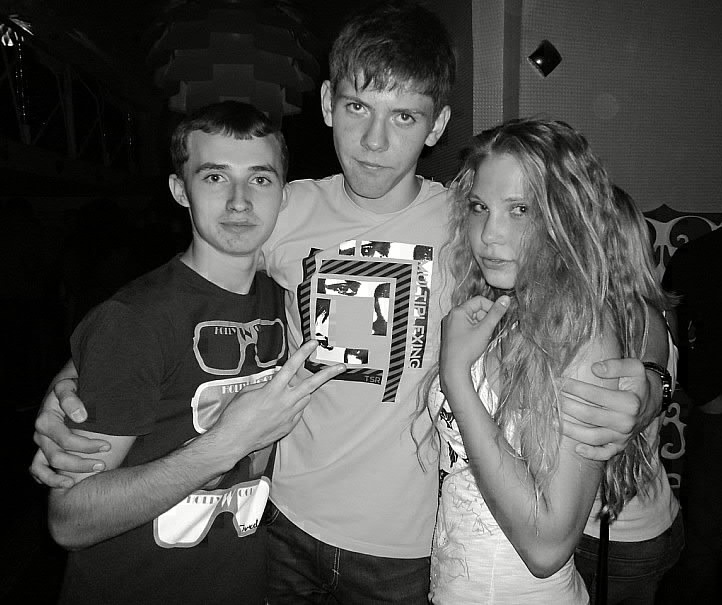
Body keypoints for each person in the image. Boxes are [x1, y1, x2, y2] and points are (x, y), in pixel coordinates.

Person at [32, 2, 667, 602]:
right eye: (358, 107)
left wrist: (651, 383)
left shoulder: (470, 221)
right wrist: (76, 379)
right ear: (328, 104)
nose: (374, 141)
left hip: (406, 546)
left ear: (437, 125)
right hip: (282, 520)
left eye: (404, 117)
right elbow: (183, 290)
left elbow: (600, 295)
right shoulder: (282, 208)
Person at [45, 101, 345, 604]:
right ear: (180, 190)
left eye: (260, 179)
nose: (239, 202)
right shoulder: (135, 320)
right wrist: (228, 443)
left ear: (283, 194)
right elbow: (69, 519)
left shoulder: (289, 301)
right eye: (214, 177)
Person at [425, 119, 670, 604]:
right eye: (479, 207)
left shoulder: (579, 332)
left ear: (566, 218)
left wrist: (456, 378)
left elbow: (548, 547)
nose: (490, 235)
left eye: (521, 210)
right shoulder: (501, 305)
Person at [573, 186, 683, 604]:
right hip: (648, 519)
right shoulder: (656, 310)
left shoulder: (630, 318)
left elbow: (645, 384)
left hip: (611, 536)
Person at [660, 225, 722, 602]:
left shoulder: (696, 255)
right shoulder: (699, 255)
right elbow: (671, 326)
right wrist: (705, 390)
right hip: (714, 416)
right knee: (704, 539)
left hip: (713, 411)